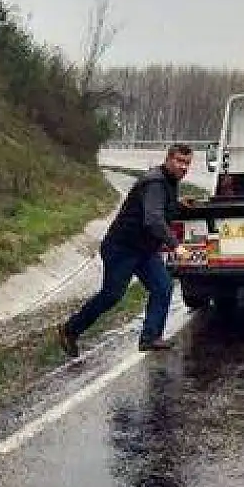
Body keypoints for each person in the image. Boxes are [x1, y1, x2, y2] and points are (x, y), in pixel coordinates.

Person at [59, 143, 193, 357]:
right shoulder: (155, 182)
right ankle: (70, 330)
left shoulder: (169, 181)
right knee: (112, 295)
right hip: (122, 248)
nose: (183, 167)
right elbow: (153, 219)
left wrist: (178, 204)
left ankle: (150, 338)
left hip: (144, 250)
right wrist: (176, 246)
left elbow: (159, 207)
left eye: (187, 163)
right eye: (179, 161)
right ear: (168, 159)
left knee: (163, 286)